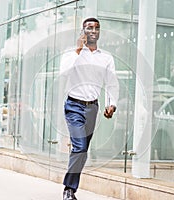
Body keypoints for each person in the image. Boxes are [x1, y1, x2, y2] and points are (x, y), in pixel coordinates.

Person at [60, 17, 119, 200]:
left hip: (92, 108)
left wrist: (111, 104)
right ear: (83, 31)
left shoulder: (106, 58)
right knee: (79, 147)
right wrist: (78, 49)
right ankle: (69, 189)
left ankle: (71, 186)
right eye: (89, 28)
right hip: (74, 106)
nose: (93, 31)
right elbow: (64, 72)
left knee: (82, 150)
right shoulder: (71, 54)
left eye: (96, 28)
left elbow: (111, 83)